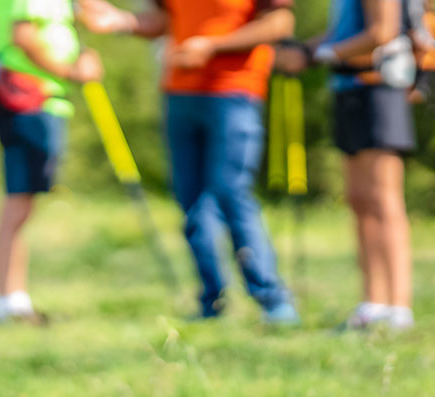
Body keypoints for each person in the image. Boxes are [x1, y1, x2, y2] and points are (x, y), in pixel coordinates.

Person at [79, 0, 300, 325]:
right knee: (191, 200)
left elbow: (279, 23)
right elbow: (165, 20)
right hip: (179, 91)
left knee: (230, 193)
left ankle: (272, 298)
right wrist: (122, 21)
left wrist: (213, 46)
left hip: (234, 91)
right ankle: (212, 300)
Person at [275, 0, 416, 331]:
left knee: (384, 200)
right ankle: (373, 303)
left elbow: (381, 32)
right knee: (359, 199)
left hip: (379, 89)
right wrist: (305, 52)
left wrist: (323, 55)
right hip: (347, 90)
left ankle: (400, 308)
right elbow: (341, 32)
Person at [0, 0, 103, 324]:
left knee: (24, 203)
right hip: (29, 99)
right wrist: (72, 71)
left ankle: (14, 297)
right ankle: (7, 301)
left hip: (38, 100)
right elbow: (24, 35)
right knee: (18, 201)